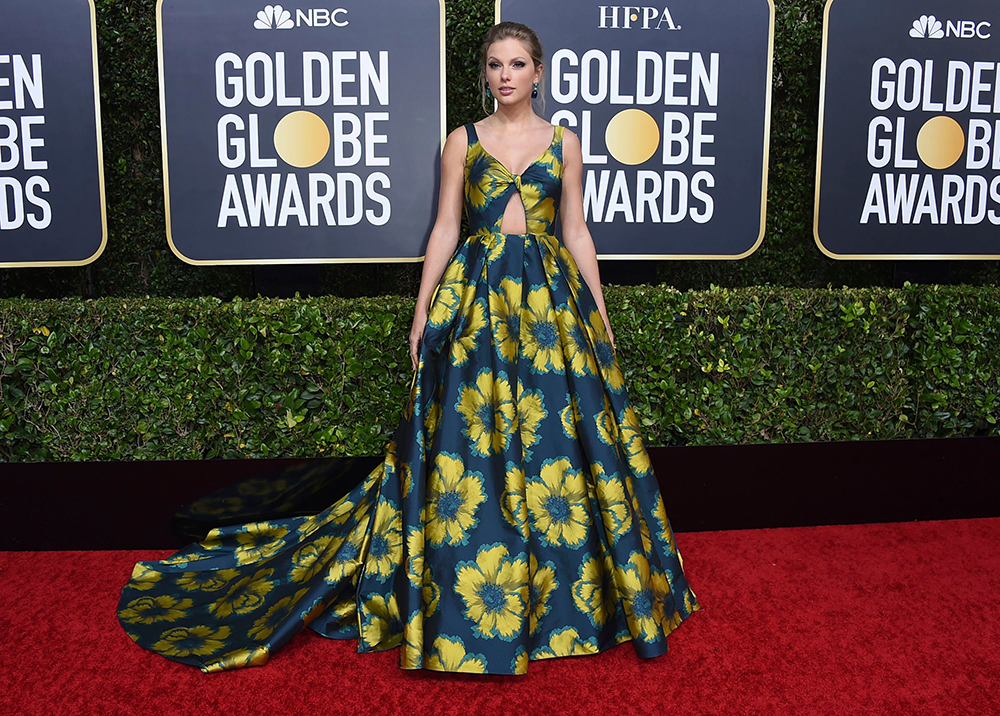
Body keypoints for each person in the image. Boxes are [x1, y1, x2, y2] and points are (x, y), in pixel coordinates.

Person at [116, 21, 701, 675]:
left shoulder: (565, 143)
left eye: (516, 64)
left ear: (538, 72)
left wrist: (599, 314)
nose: (504, 75)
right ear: (484, 73)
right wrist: (423, 311)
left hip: (548, 307)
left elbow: (578, 231)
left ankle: (562, 599)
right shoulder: (463, 142)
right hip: (475, 301)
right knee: (469, 442)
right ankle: (470, 592)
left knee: (557, 443)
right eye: (493, 64)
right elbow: (447, 225)